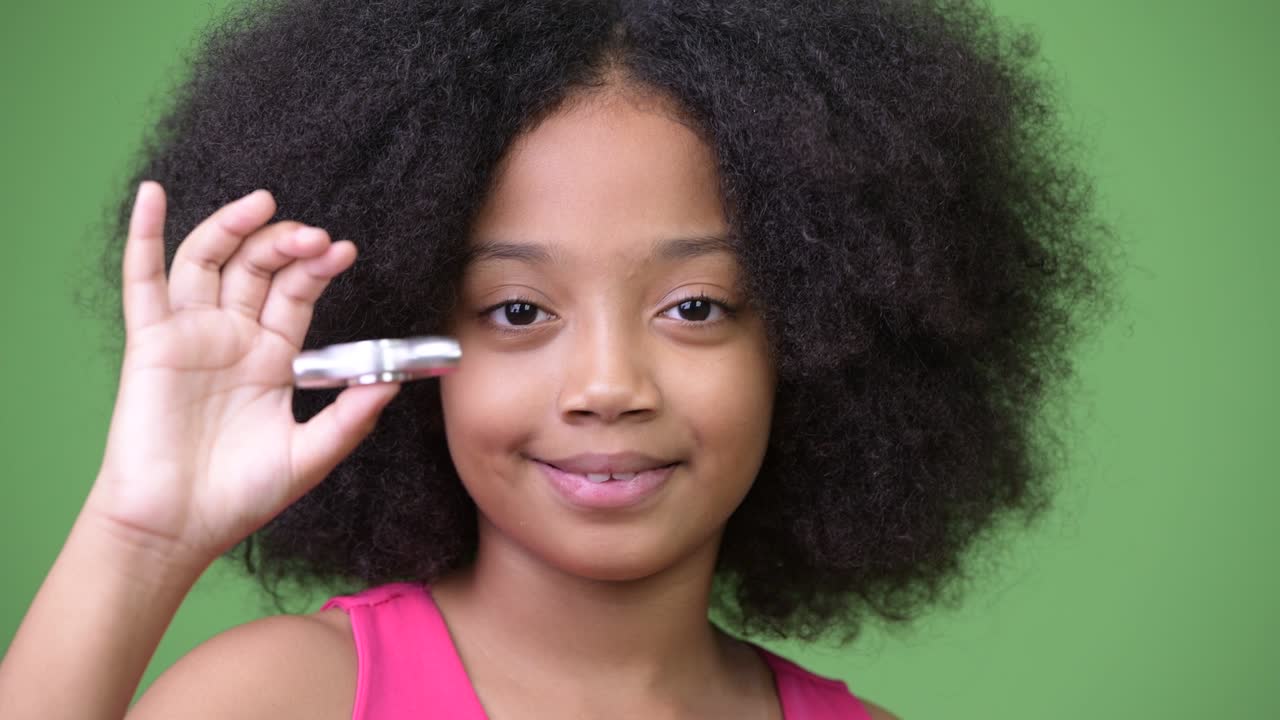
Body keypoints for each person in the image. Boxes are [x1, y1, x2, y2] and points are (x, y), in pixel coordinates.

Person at [0, 0, 1111, 717]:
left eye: (693, 305)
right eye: (519, 310)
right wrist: (140, 533)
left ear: (823, 340)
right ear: (403, 339)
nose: (608, 387)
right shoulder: (285, 702)